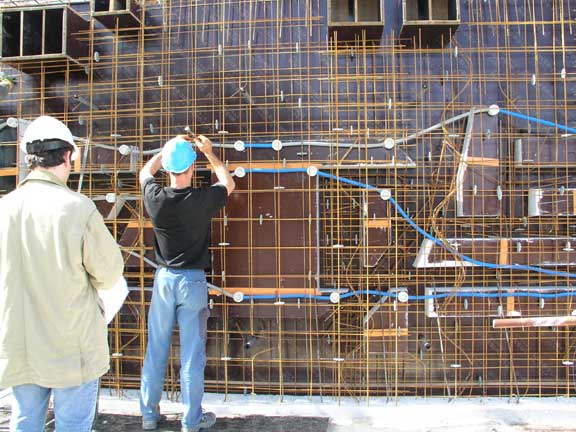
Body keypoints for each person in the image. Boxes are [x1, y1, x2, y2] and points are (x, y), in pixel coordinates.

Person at [0, 115, 125, 432]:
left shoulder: (5, 209)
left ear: (30, 158)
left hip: (20, 348)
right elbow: (110, 274)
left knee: (24, 421)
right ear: (69, 156)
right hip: (73, 351)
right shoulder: (77, 209)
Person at [139, 134, 235, 432]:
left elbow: (145, 173)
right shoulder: (201, 200)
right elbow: (228, 183)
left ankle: (149, 416)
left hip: (164, 280)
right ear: (192, 167)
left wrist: (166, 147)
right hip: (193, 281)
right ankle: (191, 421)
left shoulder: (155, 198)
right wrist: (209, 153)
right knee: (192, 355)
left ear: (167, 168)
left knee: (156, 348)